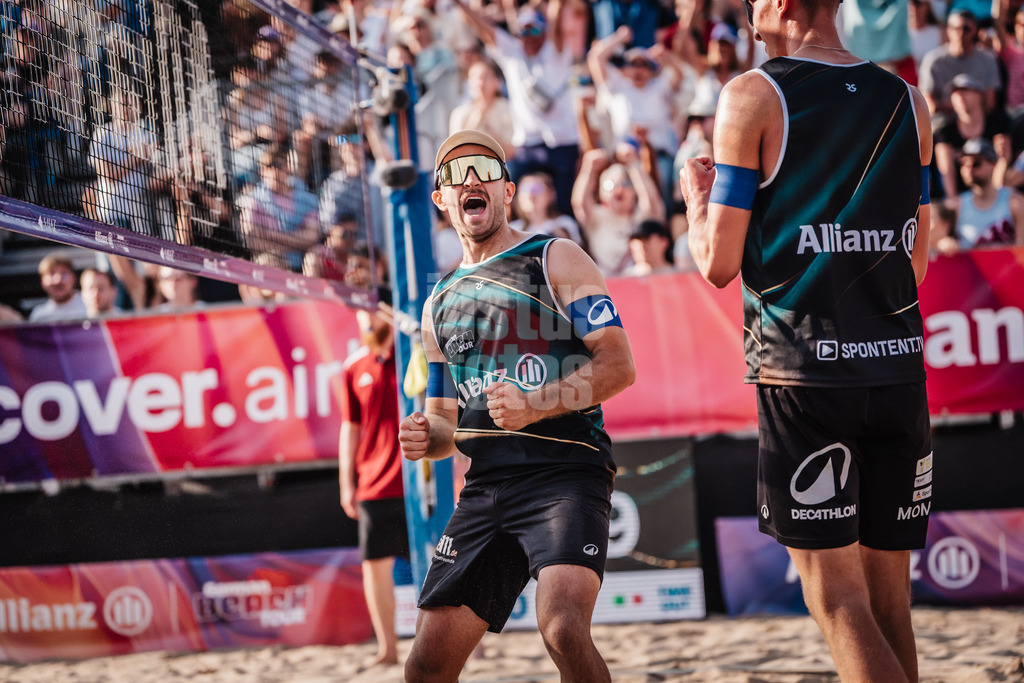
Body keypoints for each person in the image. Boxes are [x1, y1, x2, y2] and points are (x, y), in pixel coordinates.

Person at [680, 0, 934, 678]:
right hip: (898, 366)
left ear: (784, 5)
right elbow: (917, 260)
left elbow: (717, 263)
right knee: (890, 605)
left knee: (840, 601)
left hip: (805, 372)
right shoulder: (909, 99)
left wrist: (694, 201)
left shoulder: (753, 94)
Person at [398, 130, 636, 681]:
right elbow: (443, 425)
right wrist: (423, 436)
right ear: (440, 200)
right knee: (425, 666)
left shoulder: (554, 257)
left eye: (482, 168)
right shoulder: (438, 302)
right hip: (486, 486)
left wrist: (536, 404)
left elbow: (619, 366)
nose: (470, 181)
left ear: (507, 190)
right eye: (454, 175)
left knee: (563, 628)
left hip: (565, 471)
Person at [454, 0, 581, 217]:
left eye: (534, 30)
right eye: (524, 31)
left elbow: (558, 14)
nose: (529, 36)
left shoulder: (556, 51)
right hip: (528, 146)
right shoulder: (513, 53)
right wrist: (460, 3)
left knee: (564, 208)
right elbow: (482, 27)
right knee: (512, 204)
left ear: (544, 31)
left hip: (562, 144)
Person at [338, 303, 409, 668]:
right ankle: (388, 650)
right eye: (360, 313)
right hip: (373, 483)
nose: (366, 319)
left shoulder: (414, 354)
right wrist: (345, 482)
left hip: (418, 482)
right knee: (375, 568)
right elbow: (349, 428)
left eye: (372, 311)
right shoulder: (353, 366)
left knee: (443, 566)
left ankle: (469, 645)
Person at [919, 10, 1002, 116]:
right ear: (948, 30)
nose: (960, 33)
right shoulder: (933, 60)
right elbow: (927, 104)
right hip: (943, 120)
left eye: (966, 28)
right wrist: (960, 107)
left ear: (975, 30)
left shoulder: (988, 59)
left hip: (978, 120)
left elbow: (989, 104)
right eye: (955, 28)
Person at [951, 137, 1024, 249]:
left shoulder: (1015, 203)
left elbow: (1021, 251)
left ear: (993, 165)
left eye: (976, 163)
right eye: (964, 164)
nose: (969, 169)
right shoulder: (956, 207)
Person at [29, 252, 87, 322]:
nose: (58, 280)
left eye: (64, 273)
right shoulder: (39, 316)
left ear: (74, 278)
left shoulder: (90, 305)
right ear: (42, 281)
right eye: (52, 273)